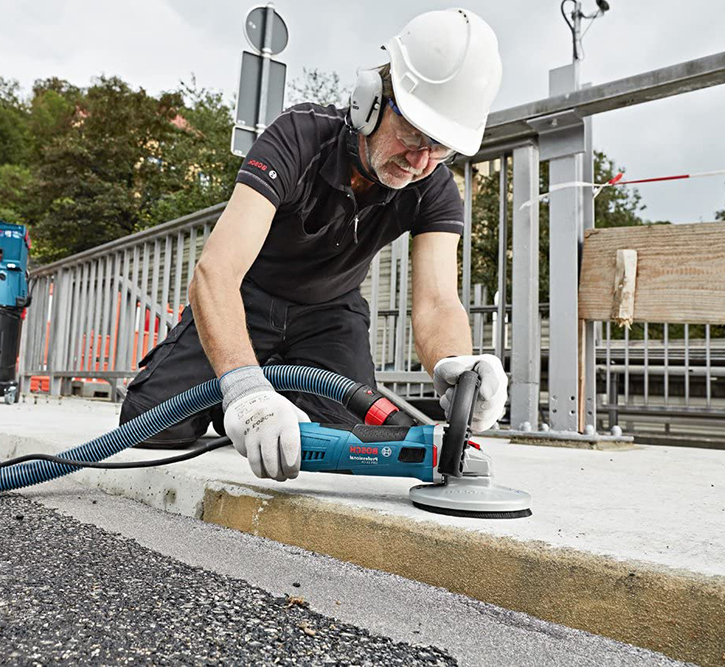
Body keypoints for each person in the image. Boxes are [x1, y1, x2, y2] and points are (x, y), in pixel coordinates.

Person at [120, 8, 508, 482]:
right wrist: (244, 386)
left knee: (339, 441)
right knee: (150, 430)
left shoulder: (435, 187)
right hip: (246, 298)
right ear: (371, 101)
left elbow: (437, 300)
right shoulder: (298, 137)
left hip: (329, 315)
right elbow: (215, 272)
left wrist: (454, 363)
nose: (420, 160)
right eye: (411, 134)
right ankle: (240, 395)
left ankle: (255, 399)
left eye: (440, 146)